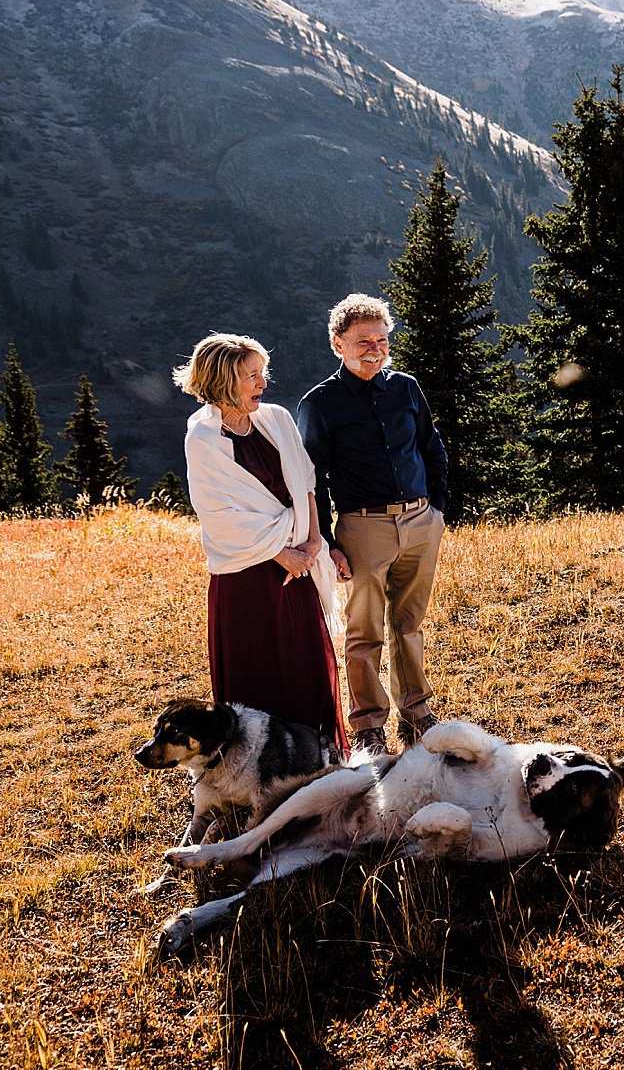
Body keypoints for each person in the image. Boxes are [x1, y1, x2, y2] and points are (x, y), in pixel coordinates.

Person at [175, 333, 346, 753]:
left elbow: (305, 482)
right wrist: (280, 553)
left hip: (299, 565)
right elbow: (218, 515)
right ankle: (256, 766)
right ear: (223, 380)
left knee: (305, 667)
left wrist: (310, 541)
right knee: (257, 673)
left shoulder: (275, 419)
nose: (263, 384)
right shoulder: (203, 440)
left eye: (262, 373)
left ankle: (315, 758)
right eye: (252, 376)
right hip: (248, 577)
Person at [297, 294, 448, 756]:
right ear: (337, 343)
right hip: (363, 528)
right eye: (363, 341)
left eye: (382, 340)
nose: (375, 349)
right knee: (364, 631)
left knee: (410, 622)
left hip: (421, 521)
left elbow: (431, 445)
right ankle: (367, 724)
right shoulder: (320, 403)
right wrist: (326, 543)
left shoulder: (405, 387)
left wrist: (438, 509)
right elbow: (312, 479)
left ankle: (418, 712)